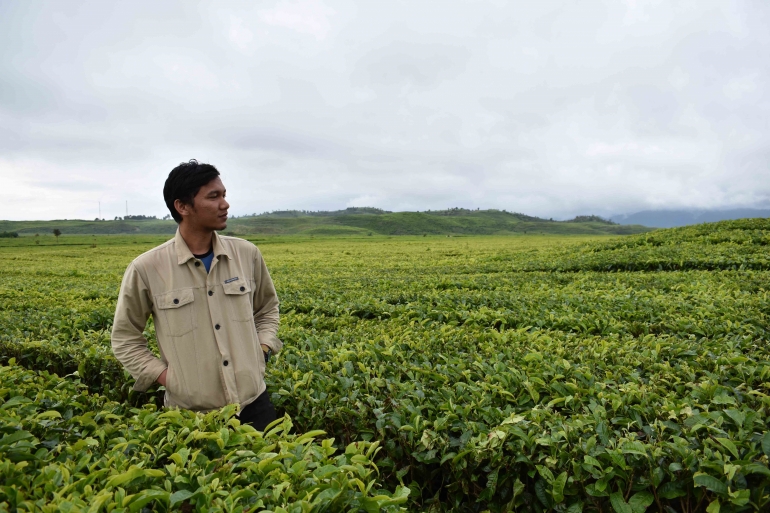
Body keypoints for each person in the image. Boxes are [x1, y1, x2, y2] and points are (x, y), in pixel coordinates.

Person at [111, 159, 281, 430]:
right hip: (190, 416)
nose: (224, 204)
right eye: (213, 197)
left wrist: (262, 348)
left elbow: (267, 308)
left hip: (254, 404)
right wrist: (167, 377)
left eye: (224, 195)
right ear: (182, 206)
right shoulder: (146, 268)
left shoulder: (246, 254)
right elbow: (125, 338)